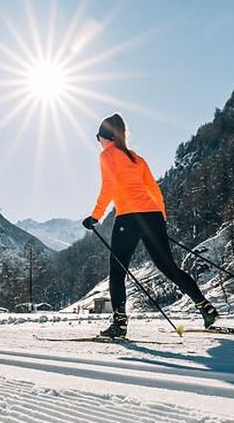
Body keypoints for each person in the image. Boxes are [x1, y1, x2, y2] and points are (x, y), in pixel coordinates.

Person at [82, 113, 219, 339]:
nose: (99, 143)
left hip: (129, 218)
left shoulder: (107, 155)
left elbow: (108, 186)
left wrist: (95, 216)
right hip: (152, 216)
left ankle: (119, 325)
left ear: (105, 137)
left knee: (117, 273)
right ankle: (206, 309)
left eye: (99, 138)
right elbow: (154, 191)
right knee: (169, 268)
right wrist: (160, 218)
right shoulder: (137, 159)